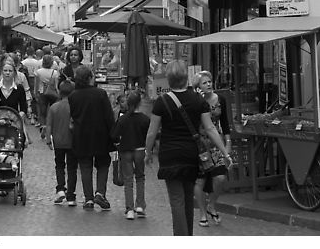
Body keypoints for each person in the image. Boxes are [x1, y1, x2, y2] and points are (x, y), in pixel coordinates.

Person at [144, 60, 232, 236]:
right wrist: (224, 152)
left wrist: (147, 152)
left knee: (177, 200)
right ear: (186, 79)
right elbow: (210, 128)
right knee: (187, 198)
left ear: (169, 79)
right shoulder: (198, 100)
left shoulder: (162, 102)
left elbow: (152, 132)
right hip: (191, 154)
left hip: (170, 154)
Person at [68, 65, 115, 211]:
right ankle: (100, 192)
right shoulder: (100, 94)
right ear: (89, 78)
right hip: (100, 134)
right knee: (103, 164)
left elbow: (73, 116)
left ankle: (88, 198)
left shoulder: (73, 96)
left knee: (85, 166)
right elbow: (109, 116)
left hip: (81, 135)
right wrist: (113, 133)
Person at [192, 71, 231, 226]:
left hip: (216, 142)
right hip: (200, 144)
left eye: (209, 81)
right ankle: (202, 212)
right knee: (200, 181)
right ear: (198, 87)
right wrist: (198, 101)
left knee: (220, 177)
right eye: (204, 83)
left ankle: (211, 205)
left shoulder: (219, 99)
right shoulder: (195, 101)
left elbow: (225, 122)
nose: (208, 85)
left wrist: (228, 141)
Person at [112, 90, 150, 220]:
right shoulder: (145, 119)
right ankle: (140, 205)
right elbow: (149, 136)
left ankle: (129, 209)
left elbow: (114, 135)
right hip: (140, 150)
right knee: (140, 177)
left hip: (125, 150)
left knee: (128, 180)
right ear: (140, 103)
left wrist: (118, 143)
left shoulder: (123, 119)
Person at [46, 80, 78, 206]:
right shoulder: (74, 106)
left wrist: (48, 139)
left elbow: (49, 125)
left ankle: (60, 189)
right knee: (72, 168)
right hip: (72, 141)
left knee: (59, 165)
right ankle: (71, 195)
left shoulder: (54, 107)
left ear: (59, 91)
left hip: (58, 141)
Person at [34, 55, 60, 139]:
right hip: (52, 93)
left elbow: (36, 84)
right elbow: (56, 85)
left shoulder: (38, 72)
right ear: (52, 63)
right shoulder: (55, 72)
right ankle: (51, 128)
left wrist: (35, 93)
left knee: (42, 112)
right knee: (52, 110)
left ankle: (43, 126)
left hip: (42, 92)